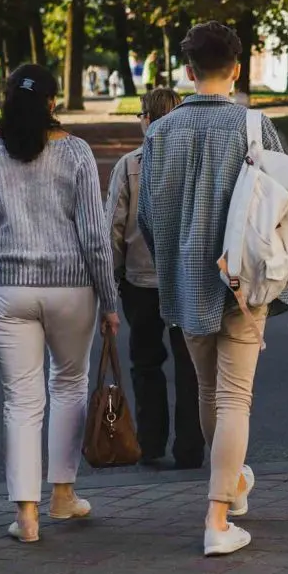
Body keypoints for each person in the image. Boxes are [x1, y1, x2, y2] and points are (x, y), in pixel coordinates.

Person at [138, 21, 288, 557]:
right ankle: (217, 516)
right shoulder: (254, 125)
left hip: (185, 281)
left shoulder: (159, 132)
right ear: (235, 69)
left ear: (187, 70)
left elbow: (148, 216)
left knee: (208, 392)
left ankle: (231, 488)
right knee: (236, 398)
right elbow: (284, 202)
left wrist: (174, 257)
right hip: (244, 281)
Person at [0, 64, 119, 544]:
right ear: (52, 103)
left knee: (22, 400)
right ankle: (63, 495)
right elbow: (94, 236)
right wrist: (110, 300)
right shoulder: (76, 153)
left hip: (6, 291)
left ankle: (25, 515)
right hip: (72, 287)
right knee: (69, 384)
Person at [105, 88, 203, 470]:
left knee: (146, 363)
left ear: (146, 117)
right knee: (190, 365)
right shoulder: (196, 163)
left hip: (140, 282)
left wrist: (111, 277)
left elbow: (111, 227)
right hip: (188, 280)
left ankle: (150, 442)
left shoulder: (130, 165)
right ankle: (190, 448)